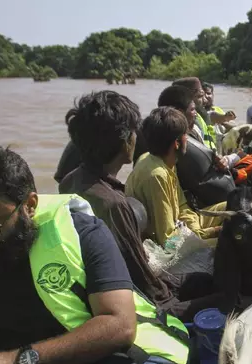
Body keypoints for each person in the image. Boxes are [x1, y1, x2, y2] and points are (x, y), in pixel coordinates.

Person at [0, 145, 188, 364]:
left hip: (100, 360)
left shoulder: (82, 232)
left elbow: (119, 325)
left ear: (30, 205)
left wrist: (17, 362)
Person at [59, 91, 223, 321]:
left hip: (111, 284)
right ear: (126, 141)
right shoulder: (113, 204)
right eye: (134, 132)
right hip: (142, 302)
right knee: (227, 296)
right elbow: (143, 281)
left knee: (201, 281)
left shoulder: (71, 180)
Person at [126, 107, 226, 247]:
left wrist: (196, 229)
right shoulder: (157, 176)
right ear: (177, 143)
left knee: (232, 206)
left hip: (183, 226)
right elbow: (168, 240)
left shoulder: (164, 160)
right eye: (186, 135)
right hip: (166, 247)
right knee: (227, 244)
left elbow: (182, 206)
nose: (188, 139)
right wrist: (213, 232)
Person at [157, 85, 237, 209]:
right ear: (177, 112)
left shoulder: (191, 131)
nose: (196, 114)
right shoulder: (177, 143)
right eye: (193, 110)